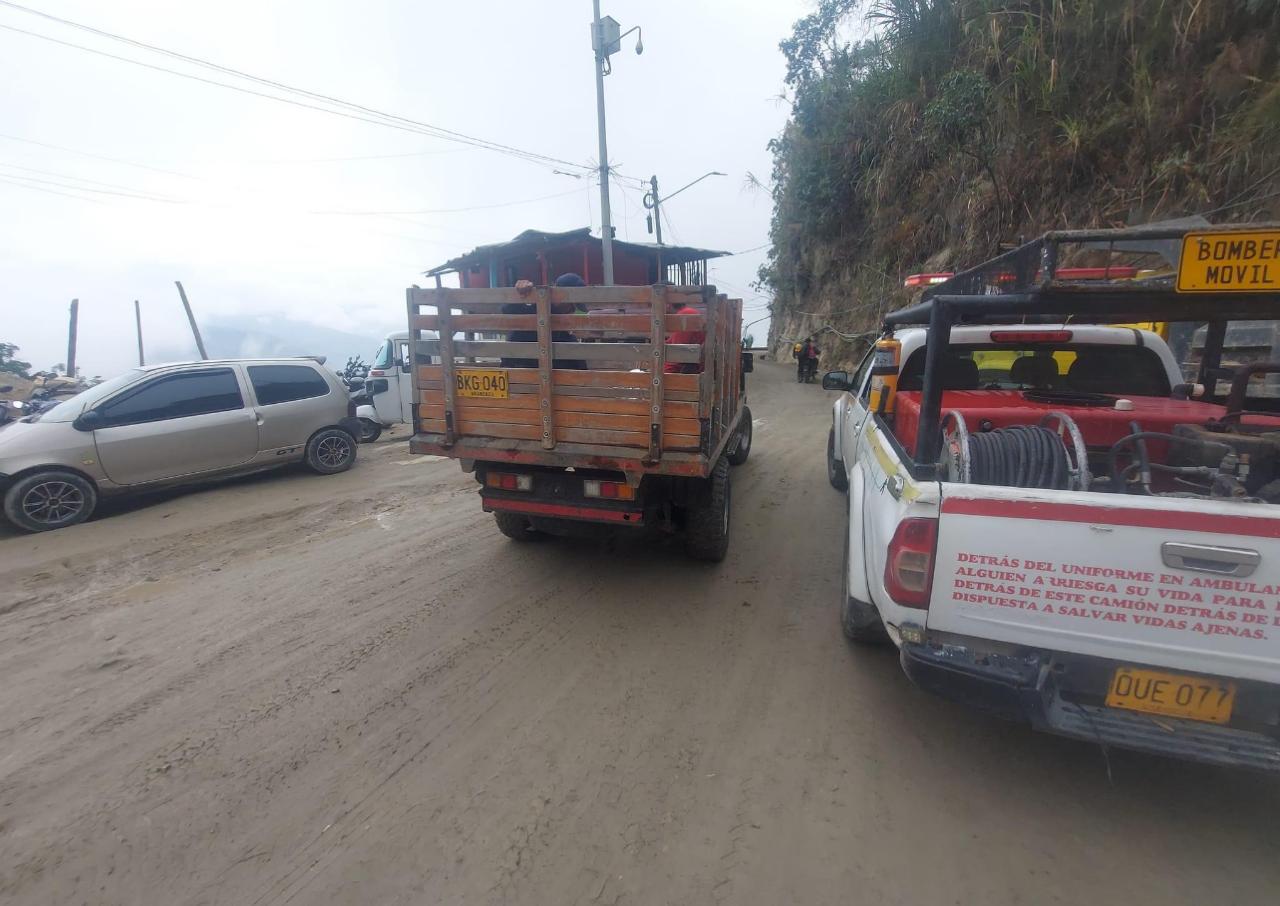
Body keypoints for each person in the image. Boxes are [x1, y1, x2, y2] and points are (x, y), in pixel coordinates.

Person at [501, 273, 587, 370]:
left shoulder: (564, 334)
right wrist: (519, 292)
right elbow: (508, 310)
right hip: (519, 370)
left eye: (574, 307)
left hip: (523, 370)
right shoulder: (534, 309)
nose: (572, 310)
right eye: (571, 305)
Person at [664, 300, 704, 374]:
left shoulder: (685, 314)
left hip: (681, 375)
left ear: (668, 305)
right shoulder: (687, 313)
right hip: (685, 370)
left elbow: (677, 353)